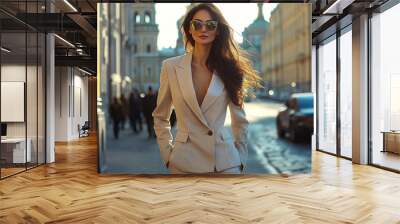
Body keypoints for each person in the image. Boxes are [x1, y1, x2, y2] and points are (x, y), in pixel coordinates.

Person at [152, 3, 261, 174]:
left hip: (225, 164)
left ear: (218, 30)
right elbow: (160, 116)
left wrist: (241, 159)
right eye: (197, 24)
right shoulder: (170, 67)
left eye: (210, 25)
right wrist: (167, 155)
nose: (204, 29)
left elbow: (240, 121)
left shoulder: (231, 70)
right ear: (189, 28)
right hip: (183, 163)